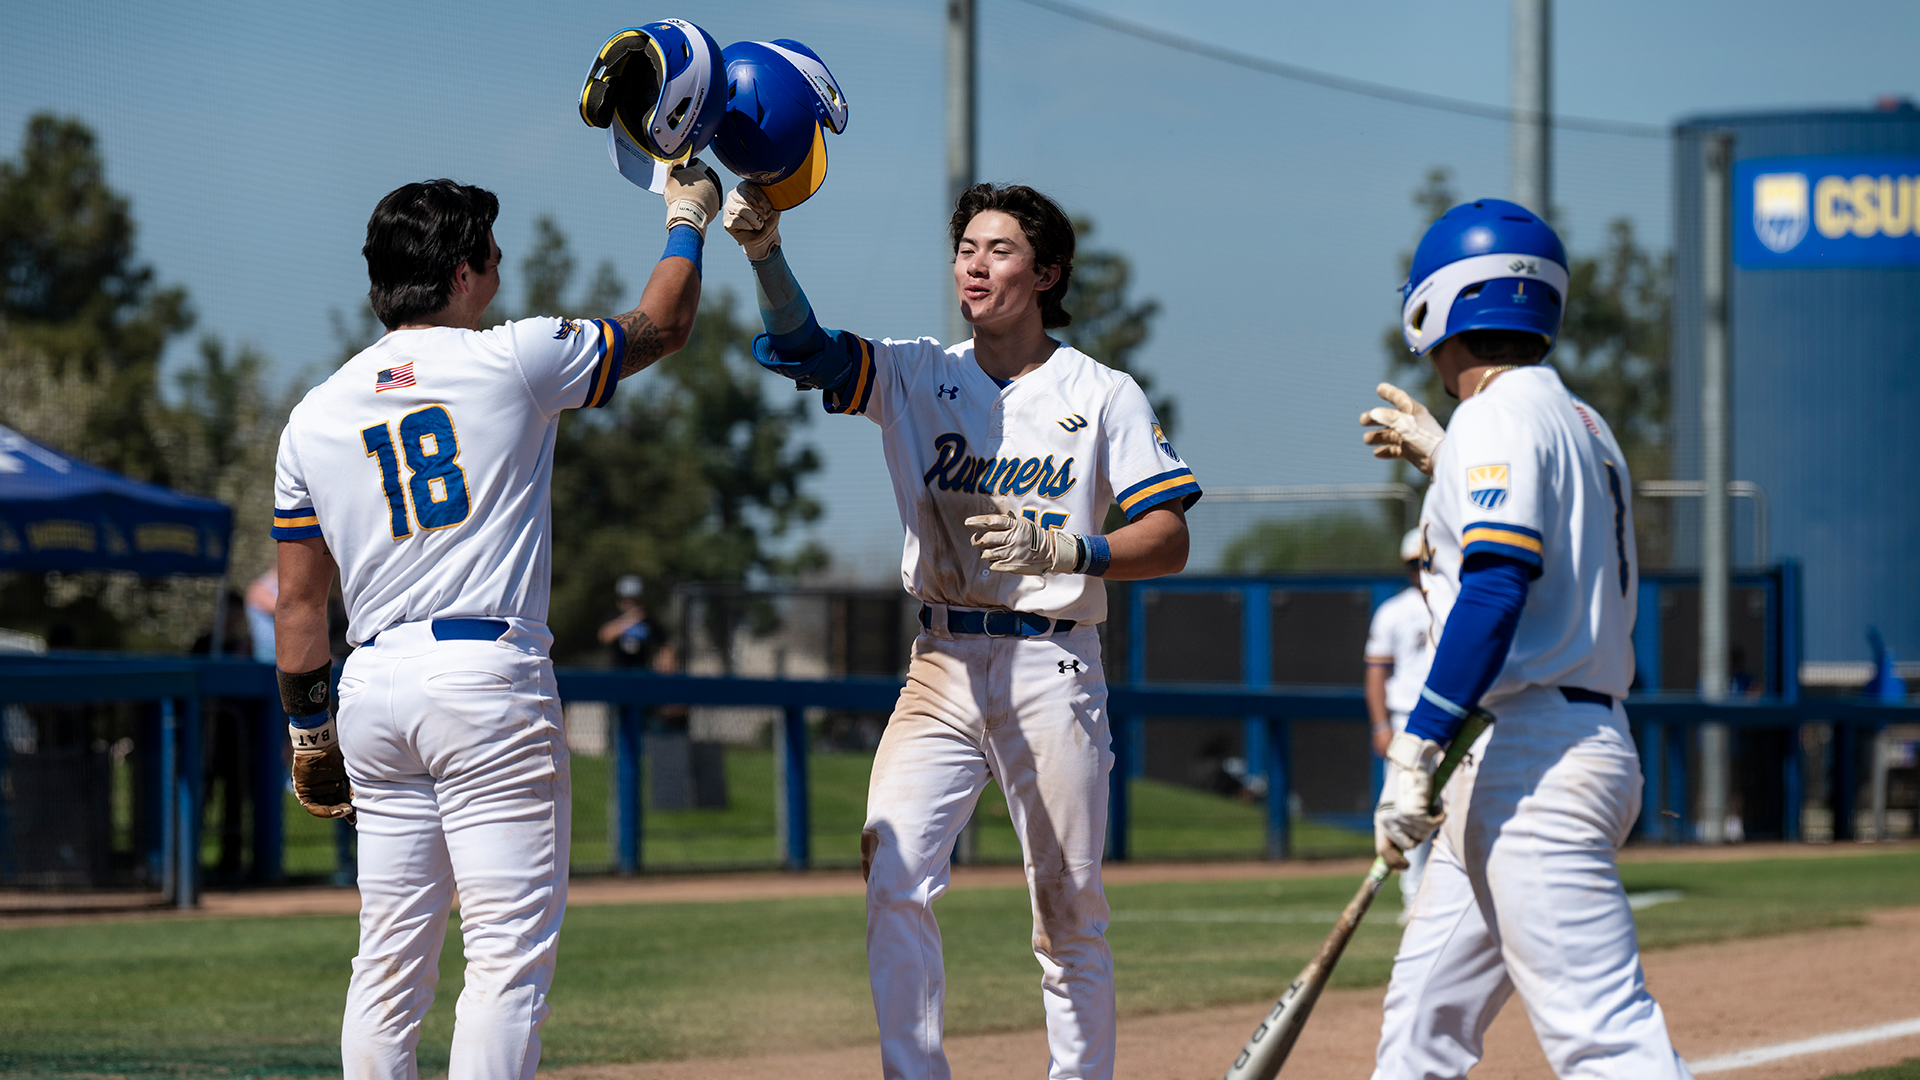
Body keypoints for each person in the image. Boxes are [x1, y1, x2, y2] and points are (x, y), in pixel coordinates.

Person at [720, 180, 1199, 1080]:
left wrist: (1070, 547)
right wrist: (763, 253)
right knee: (892, 869)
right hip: (938, 664)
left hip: (1050, 661)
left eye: (1001, 250)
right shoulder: (915, 373)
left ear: (1048, 272)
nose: (975, 266)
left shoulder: (1101, 393)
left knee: (1068, 907)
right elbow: (807, 350)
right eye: (965, 249)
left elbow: (1169, 536)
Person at [271, 165, 718, 1079]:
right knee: (505, 963)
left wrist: (308, 730)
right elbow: (663, 324)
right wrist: (686, 218)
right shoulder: (514, 355)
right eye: (491, 253)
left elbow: (299, 606)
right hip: (483, 676)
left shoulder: (312, 416)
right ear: (464, 273)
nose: (501, 266)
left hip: (371, 689)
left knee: (389, 966)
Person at [1357, 199, 1690, 1078]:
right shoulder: (1585, 423)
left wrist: (1416, 747)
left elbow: (1499, 586)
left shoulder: (1498, 418)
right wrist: (1449, 459)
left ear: (1436, 306)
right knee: (1422, 1022)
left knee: (1604, 1035)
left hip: (1535, 763)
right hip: (1544, 746)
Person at [1362, 528, 1434, 923]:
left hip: (1462, 720)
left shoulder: (1458, 601)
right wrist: (1380, 725)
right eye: (1415, 564)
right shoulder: (1394, 610)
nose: (1421, 570)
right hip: (1409, 720)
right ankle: (1413, 898)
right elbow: (1376, 673)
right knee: (1408, 809)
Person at [597, 574, 659, 668]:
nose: (629, 603)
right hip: (617, 670)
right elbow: (604, 636)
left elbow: (663, 641)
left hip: (641, 670)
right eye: (625, 599)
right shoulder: (613, 616)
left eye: (633, 600)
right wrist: (628, 620)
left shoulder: (648, 619)